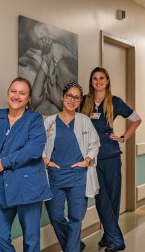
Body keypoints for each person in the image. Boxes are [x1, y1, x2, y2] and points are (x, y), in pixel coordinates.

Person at [0, 77, 52, 252]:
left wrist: (4, 162)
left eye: (22, 93)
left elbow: (33, 150)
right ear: (7, 94)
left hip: (29, 186)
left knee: (31, 240)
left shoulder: (34, 120)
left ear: (28, 99)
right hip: (2, 186)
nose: (16, 96)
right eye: (13, 91)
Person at [81, 67, 142, 252]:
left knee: (113, 198)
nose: (98, 81)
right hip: (91, 157)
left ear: (107, 81)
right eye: (94, 78)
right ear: (91, 81)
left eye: (101, 78)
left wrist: (124, 137)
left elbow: (137, 119)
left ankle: (109, 237)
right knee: (101, 197)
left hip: (111, 155)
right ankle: (116, 239)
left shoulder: (114, 102)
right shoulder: (84, 101)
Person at [43, 82, 100, 252]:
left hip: (78, 175)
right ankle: (75, 244)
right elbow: (38, 145)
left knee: (76, 217)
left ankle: (72, 249)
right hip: (55, 175)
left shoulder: (84, 121)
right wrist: (45, 160)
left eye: (76, 97)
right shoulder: (50, 122)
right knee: (56, 216)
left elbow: (94, 143)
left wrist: (87, 160)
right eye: (69, 96)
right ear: (62, 96)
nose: (72, 100)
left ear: (80, 101)